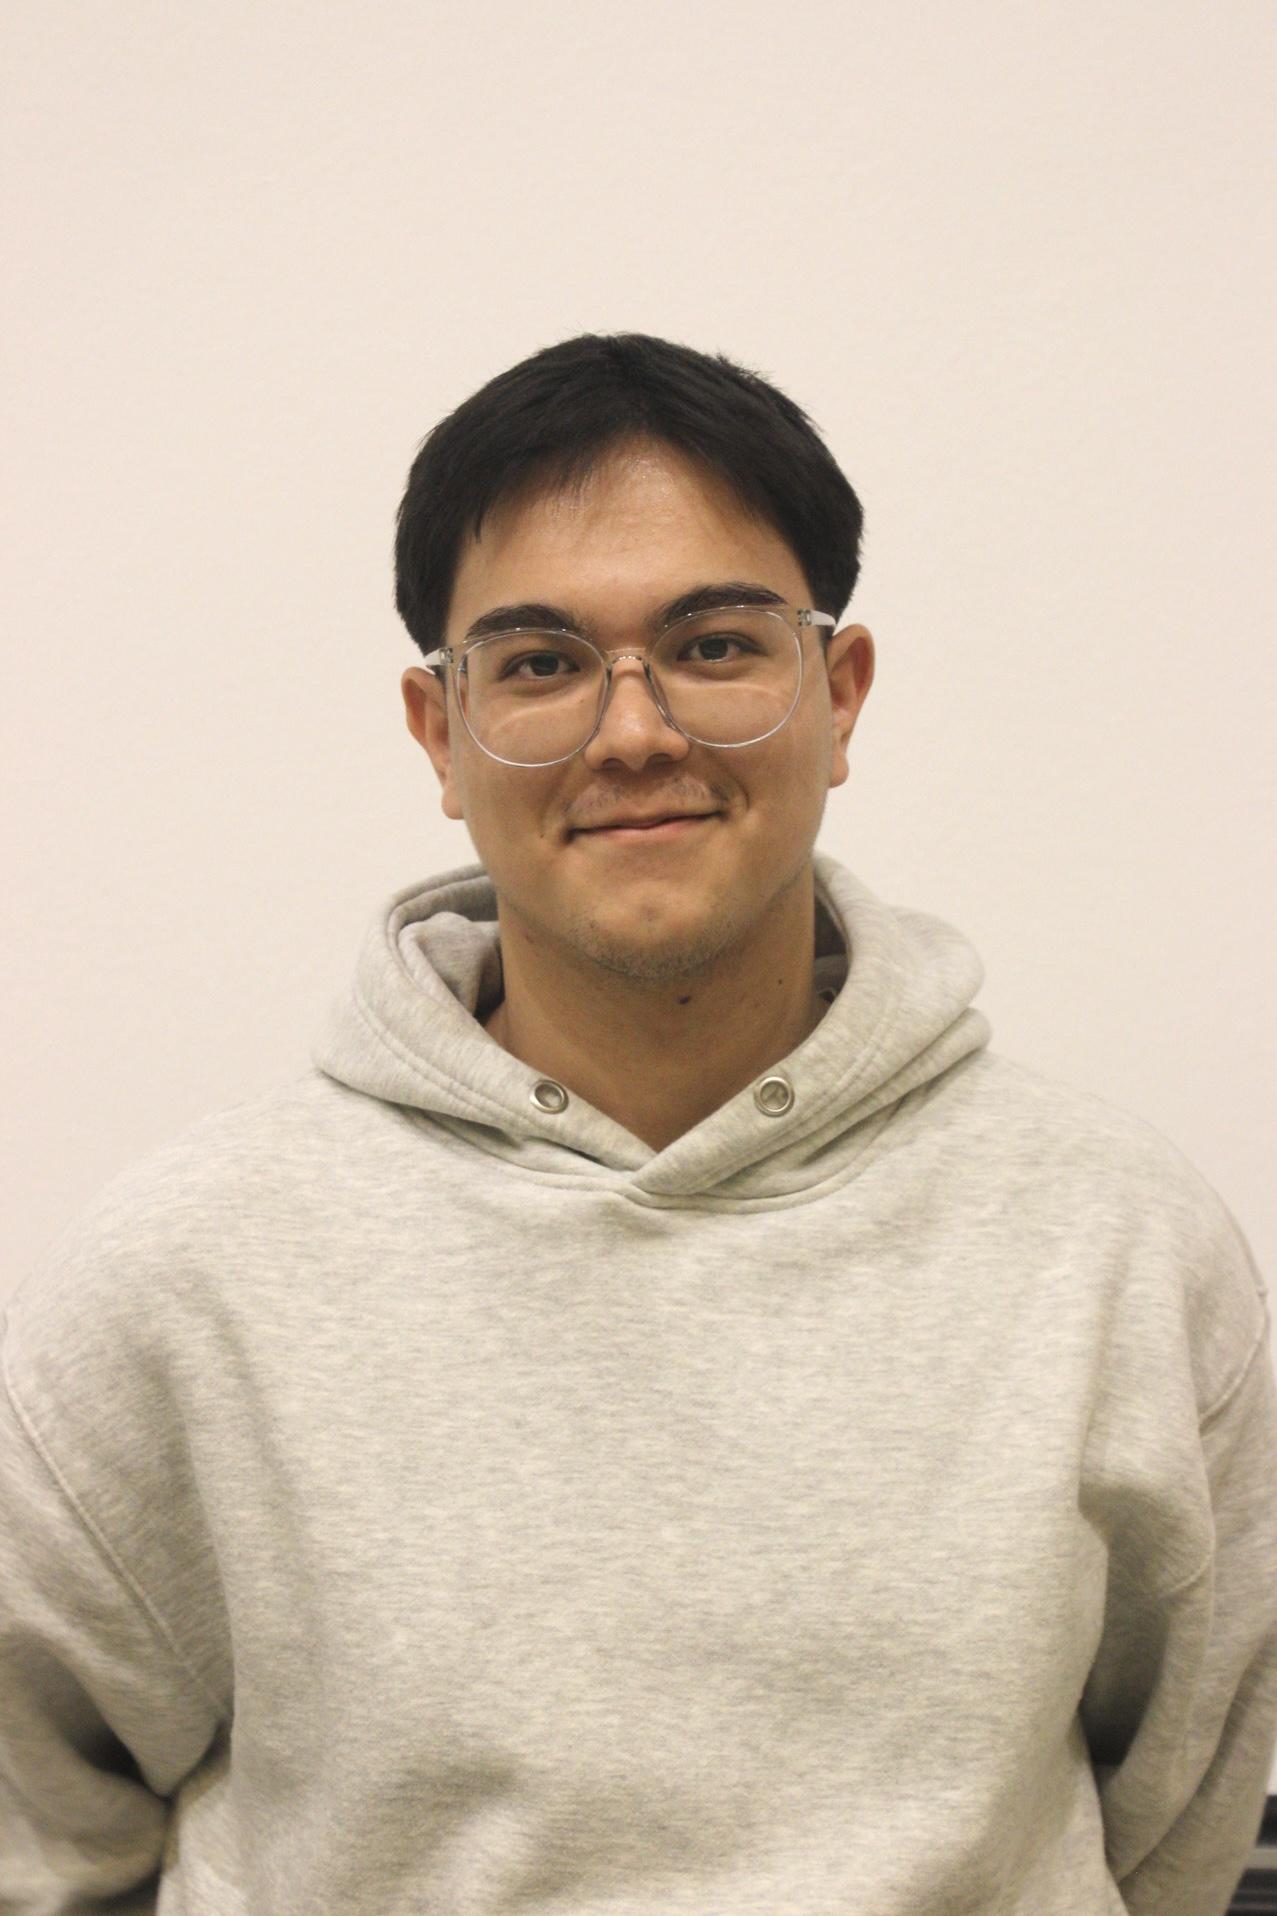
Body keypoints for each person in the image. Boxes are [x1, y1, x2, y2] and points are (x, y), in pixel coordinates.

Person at [2, 332, 1274, 1916]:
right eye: (539, 664)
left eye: (713, 645)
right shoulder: (182, 1273)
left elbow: (1178, 1824)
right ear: (439, 732)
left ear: (837, 694)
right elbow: (37, 1835)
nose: (632, 734)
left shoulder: (1115, 1240)